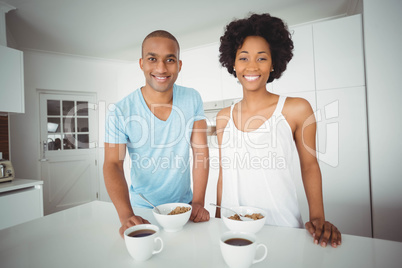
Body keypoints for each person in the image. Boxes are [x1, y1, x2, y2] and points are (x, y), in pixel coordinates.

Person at [215, 13, 341, 248]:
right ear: (233, 63)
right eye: (243, 58)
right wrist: (216, 222)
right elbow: (224, 174)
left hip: (283, 228)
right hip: (232, 229)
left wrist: (318, 219)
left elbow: (310, 166)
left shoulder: (296, 108)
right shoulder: (224, 117)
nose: (252, 66)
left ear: (273, 63)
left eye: (261, 58)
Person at [104, 30, 210, 237]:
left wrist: (198, 202)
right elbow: (112, 164)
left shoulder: (192, 98)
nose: (161, 68)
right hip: (143, 210)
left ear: (179, 65)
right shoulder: (119, 111)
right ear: (142, 63)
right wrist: (126, 215)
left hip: (185, 208)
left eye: (170, 59)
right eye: (153, 59)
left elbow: (200, 153)